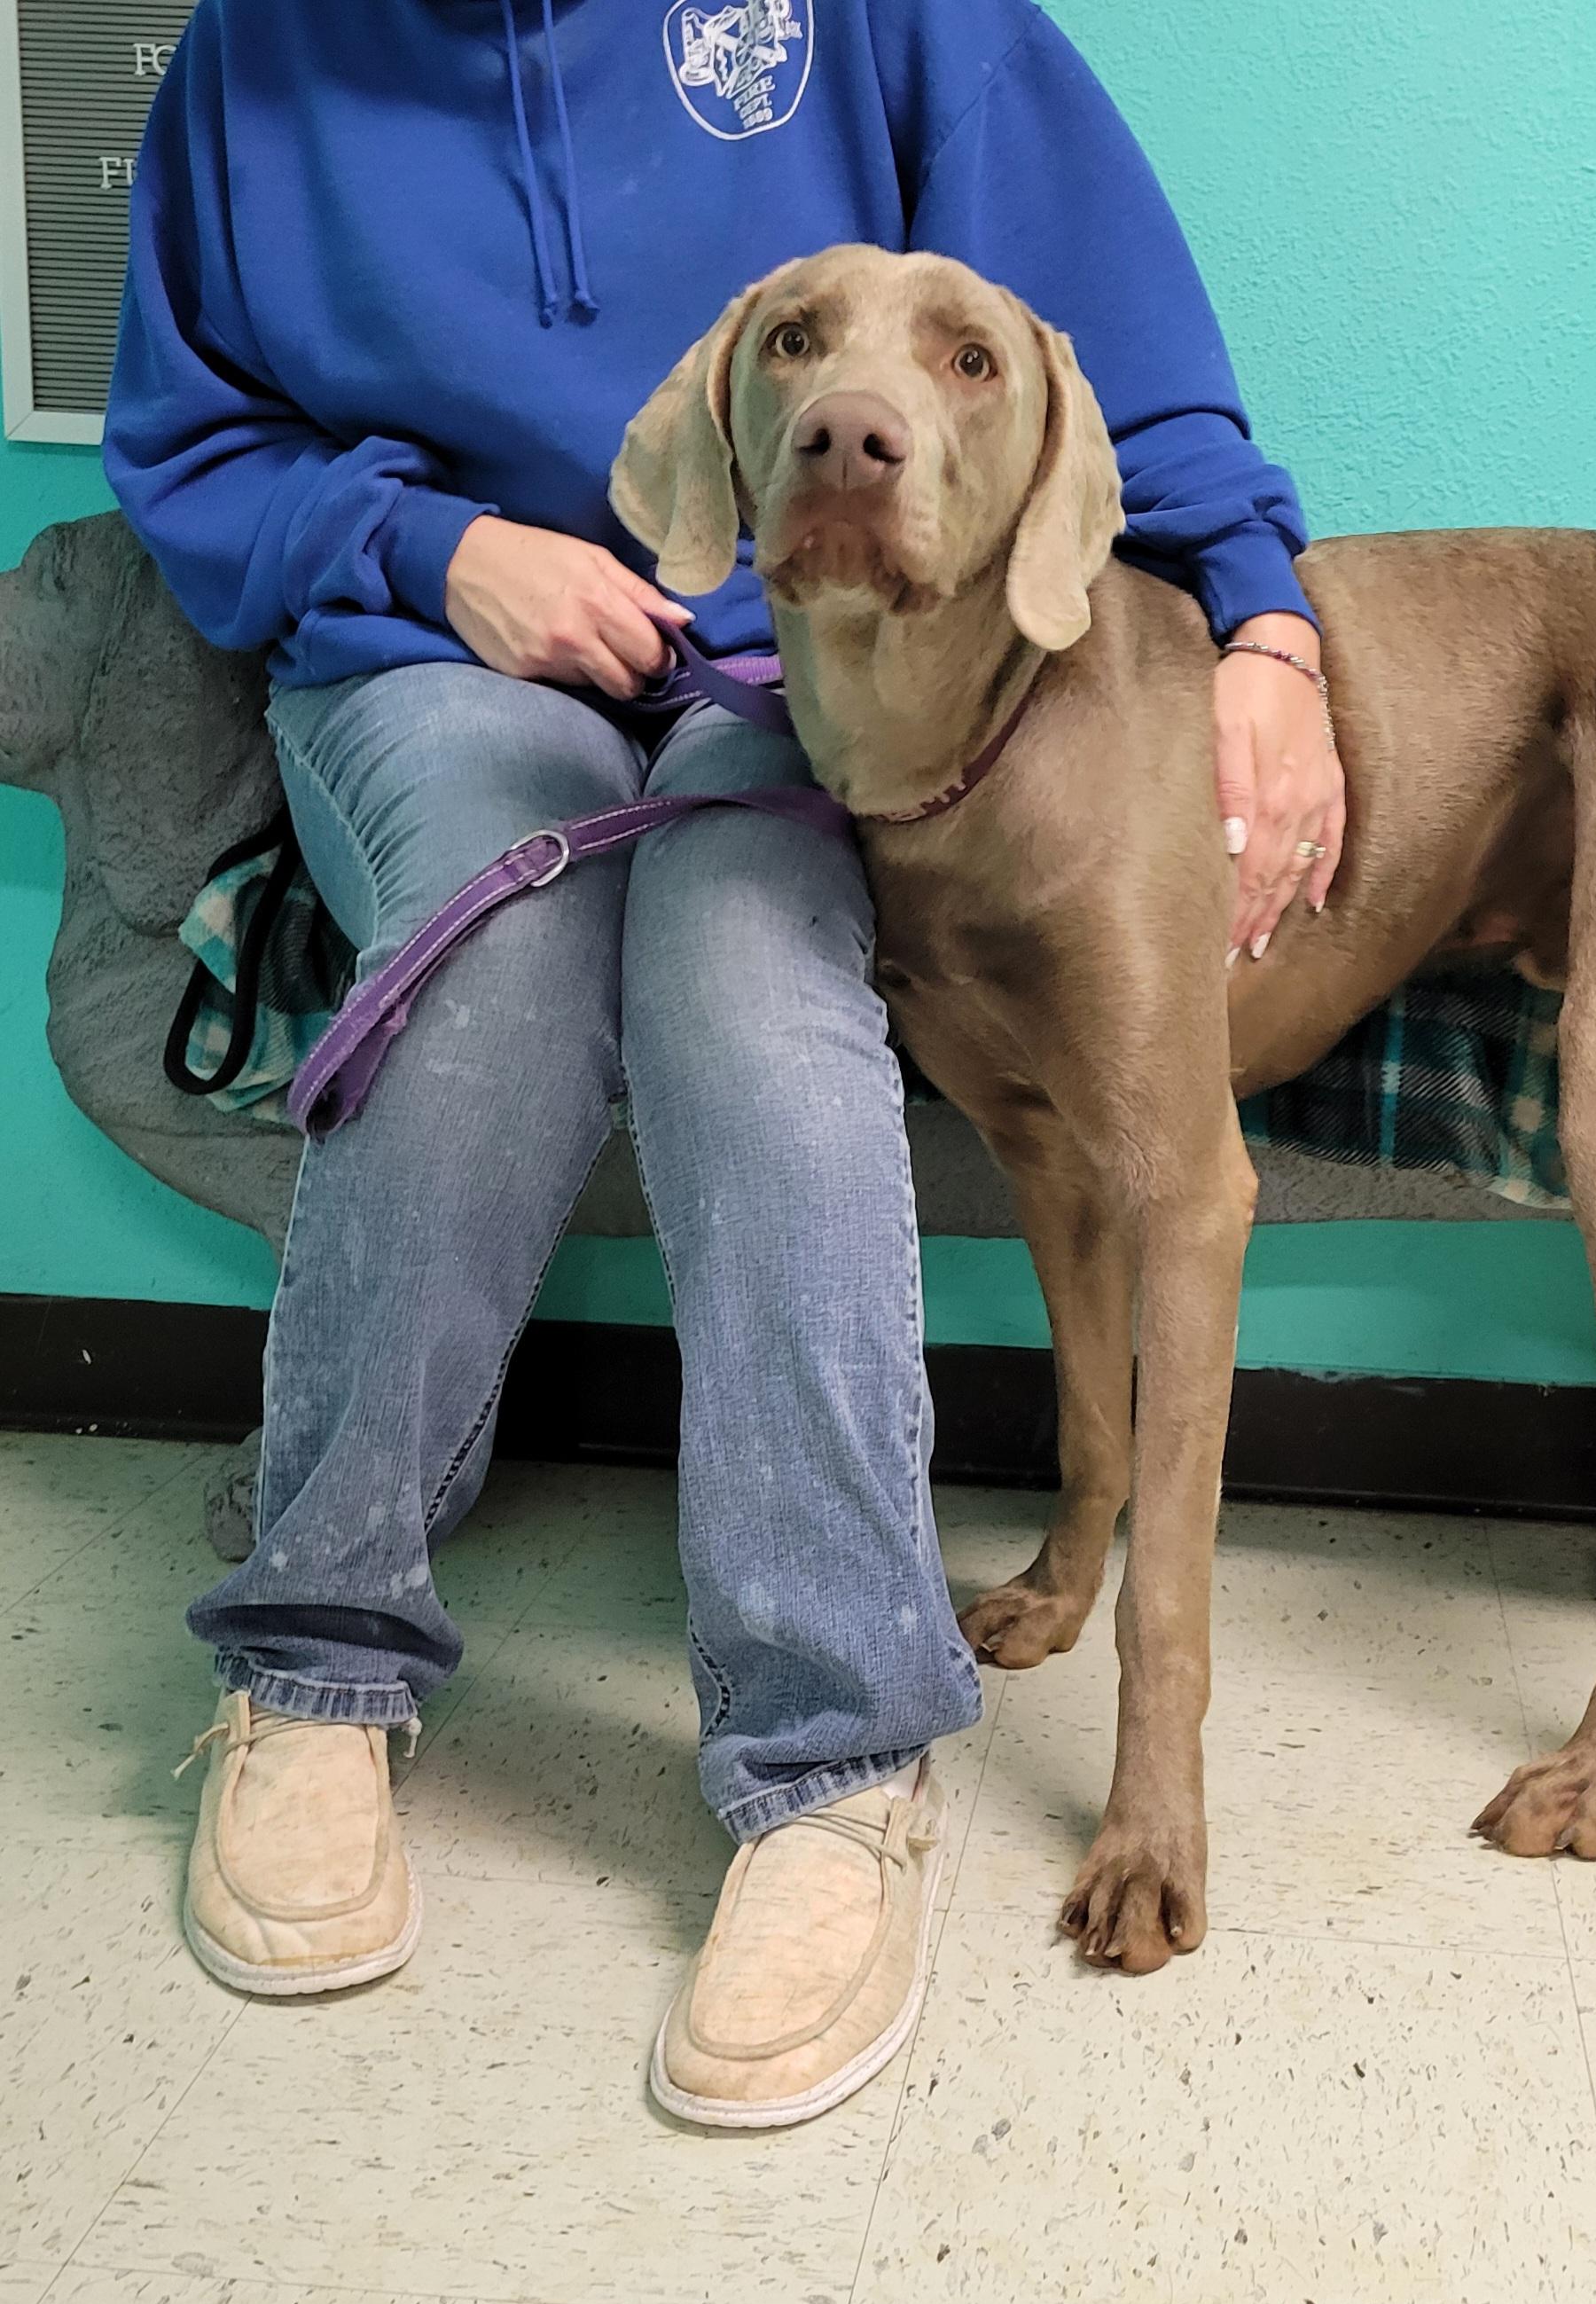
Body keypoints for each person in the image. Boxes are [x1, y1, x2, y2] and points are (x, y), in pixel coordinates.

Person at [105, 0, 1344, 2129]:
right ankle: (315, 1661)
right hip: (432, 651)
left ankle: (836, 1755)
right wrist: (437, 554)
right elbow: (192, 452)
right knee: (498, 931)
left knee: (752, 982)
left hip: (805, 661)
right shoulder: (252, 60)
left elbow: (1094, 337)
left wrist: (1266, 622)